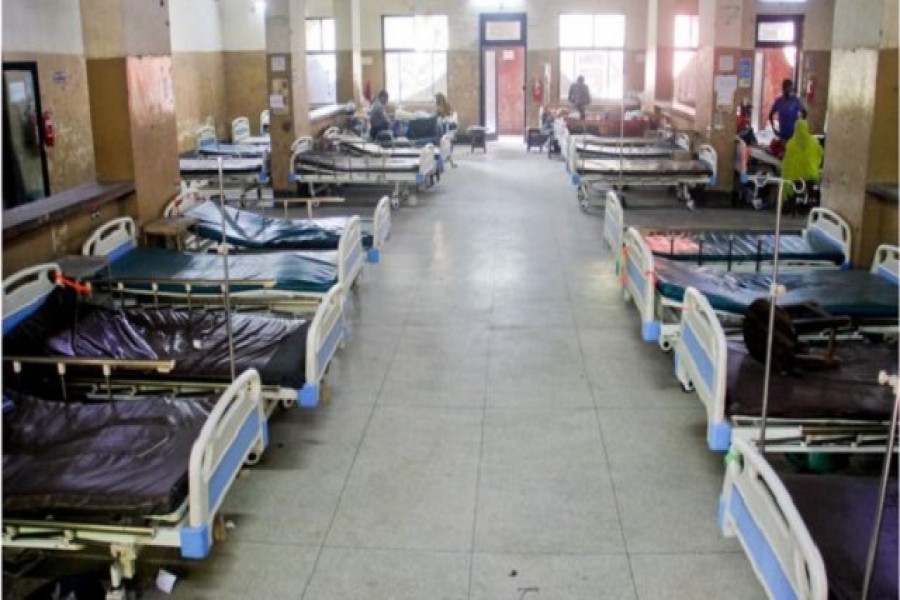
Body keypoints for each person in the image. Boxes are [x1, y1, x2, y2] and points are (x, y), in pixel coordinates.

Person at [780, 118, 823, 208]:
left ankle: (793, 206)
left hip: (794, 175)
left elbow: (787, 160)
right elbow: (820, 154)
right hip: (811, 173)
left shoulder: (791, 143)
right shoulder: (814, 142)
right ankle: (812, 205)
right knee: (811, 189)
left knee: (795, 189)